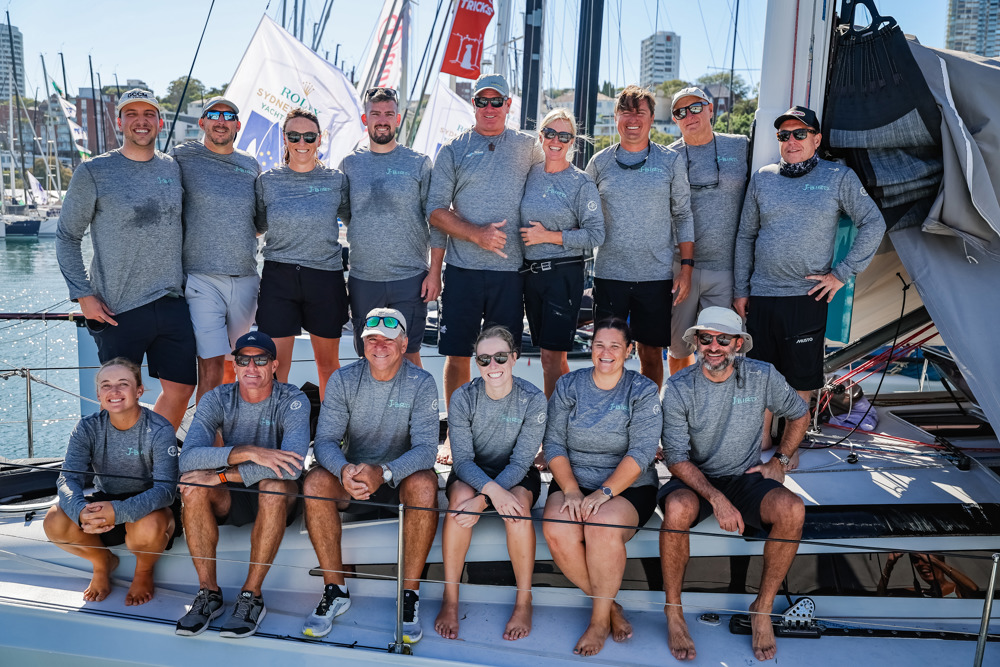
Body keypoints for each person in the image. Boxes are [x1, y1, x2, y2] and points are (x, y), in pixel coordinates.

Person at [658, 306, 809, 662]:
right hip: (695, 477)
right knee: (678, 508)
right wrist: (716, 499)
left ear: (738, 344)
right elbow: (676, 457)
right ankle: (673, 611)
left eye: (723, 339)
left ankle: (762, 608)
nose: (714, 346)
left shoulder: (762, 375)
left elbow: (800, 413)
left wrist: (780, 462)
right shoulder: (679, 387)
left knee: (793, 509)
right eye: (706, 338)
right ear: (695, 341)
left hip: (745, 476)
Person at [733, 105, 885, 449]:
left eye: (800, 133)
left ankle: (788, 451)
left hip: (807, 297)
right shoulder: (763, 177)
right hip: (762, 296)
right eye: (784, 135)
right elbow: (745, 236)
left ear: (816, 139)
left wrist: (841, 274)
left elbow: (873, 222)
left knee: (800, 381)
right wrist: (742, 290)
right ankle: (759, 449)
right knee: (761, 377)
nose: (791, 140)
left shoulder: (837, 177)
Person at [56, 88, 195, 430]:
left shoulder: (173, 168)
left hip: (172, 300)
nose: (140, 121)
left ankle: (152, 453)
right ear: (119, 122)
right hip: (117, 307)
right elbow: (67, 236)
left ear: (159, 122)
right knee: (118, 396)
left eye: (148, 114)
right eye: (131, 114)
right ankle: (122, 468)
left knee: (181, 388)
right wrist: (83, 295)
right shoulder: (94, 171)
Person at [302, 308, 439, 643]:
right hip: (354, 477)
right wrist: (344, 469)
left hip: (398, 478)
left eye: (388, 340)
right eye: (372, 339)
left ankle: (409, 594)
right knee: (316, 482)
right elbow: (325, 441)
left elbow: (425, 450)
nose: (380, 346)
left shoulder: (421, 382)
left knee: (424, 484)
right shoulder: (343, 379)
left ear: (404, 343)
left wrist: (386, 471)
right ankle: (335, 589)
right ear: (361, 343)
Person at [175, 331, 309, 639]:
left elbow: (291, 467)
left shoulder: (293, 399)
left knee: (274, 486)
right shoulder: (217, 398)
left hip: (273, 492)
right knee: (192, 486)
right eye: (243, 360)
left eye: (260, 359)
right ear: (234, 365)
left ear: (274, 365)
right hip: (233, 493)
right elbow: (189, 458)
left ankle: (252, 595)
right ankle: (208, 593)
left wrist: (221, 474)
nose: (251, 367)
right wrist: (247, 451)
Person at [542, 317, 662, 656]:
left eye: (614, 346)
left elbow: (641, 452)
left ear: (628, 350)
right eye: (599, 345)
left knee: (601, 526)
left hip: (627, 487)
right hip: (573, 481)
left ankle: (597, 622)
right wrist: (571, 490)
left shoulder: (642, 390)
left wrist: (602, 494)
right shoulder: (569, 385)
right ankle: (610, 607)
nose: (605, 352)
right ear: (590, 349)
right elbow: (553, 445)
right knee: (556, 528)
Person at [427, 72, 541, 424]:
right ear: (472, 104)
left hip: (511, 274)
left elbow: (554, 185)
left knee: (503, 356)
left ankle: (501, 428)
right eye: (481, 101)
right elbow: (434, 211)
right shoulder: (453, 149)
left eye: (496, 101)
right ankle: (457, 429)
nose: (489, 108)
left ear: (509, 105)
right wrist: (476, 235)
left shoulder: (529, 147)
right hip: (463, 272)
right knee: (458, 355)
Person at [434, 326, 548, 642]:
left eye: (500, 357)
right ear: (476, 362)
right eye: (485, 359)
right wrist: (490, 491)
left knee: (518, 510)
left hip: (516, 472)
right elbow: (464, 461)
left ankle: (524, 599)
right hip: (473, 471)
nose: (493, 366)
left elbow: (522, 462)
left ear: (514, 358)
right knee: (457, 505)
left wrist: (485, 500)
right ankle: (451, 598)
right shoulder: (463, 397)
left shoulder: (533, 399)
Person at [44, 357, 178, 606]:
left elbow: (165, 490)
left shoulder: (159, 429)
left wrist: (120, 511)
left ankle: (144, 571)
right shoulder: (87, 427)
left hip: (150, 505)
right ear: (98, 394)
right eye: (106, 385)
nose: (114, 391)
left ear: (138, 391)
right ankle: (102, 562)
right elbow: (68, 477)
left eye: (123, 384)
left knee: (148, 524)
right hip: (107, 500)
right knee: (55, 520)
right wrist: (81, 511)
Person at [586, 85, 695, 389]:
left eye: (640, 112)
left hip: (655, 277)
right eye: (626, 111)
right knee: (608, 354)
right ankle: (608, 419)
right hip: (610, 275)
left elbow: (683, 215)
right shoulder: (598, 163)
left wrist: (686, 269)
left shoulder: (670, 161)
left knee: (650, 354)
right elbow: (581, 215)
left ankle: (648, 417)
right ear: (617, 116)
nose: (633, 118)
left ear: (651, 118)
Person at [339, 87, 444, 367]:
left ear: (398, 119)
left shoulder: (418, 164)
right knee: (369, 356)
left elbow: (436, 220)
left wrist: (434, 273)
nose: (382, 119)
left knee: (409, 355)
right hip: (364, 279)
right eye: (376, 114)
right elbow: (350, 215)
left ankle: (416, 412)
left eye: (389, 114)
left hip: (410, 278)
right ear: (365, 119)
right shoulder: (350, 165)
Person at [254, 108, 350, 400]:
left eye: (309, 136)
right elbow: (256, 226)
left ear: (319, 139)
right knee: (276, 366)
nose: (302, 142)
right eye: (294, 135)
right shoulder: (267, 181)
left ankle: (331, 436)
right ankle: (274, 433)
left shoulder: (337, 180)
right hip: (278, 277)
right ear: (285, 139)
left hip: (325, 277)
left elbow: (355, 221)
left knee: (328, 366)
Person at [172, 96, 263, 403]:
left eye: (228, 116)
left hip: (245, 277)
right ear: (202, 123)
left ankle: (237, 434)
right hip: (201, 277)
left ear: (237, 125)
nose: (221, 121)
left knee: (241, 364)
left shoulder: (251, 165)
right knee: (209, 366)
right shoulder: (183, 156)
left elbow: (259, 222)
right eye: (214, 115)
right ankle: (206, 445)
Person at [519, 108, 605, 397]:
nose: (556, 140)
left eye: (564, 135)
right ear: (541, 136)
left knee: (551, 357)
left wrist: (549, 236)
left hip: (563, 275)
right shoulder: (530, 173)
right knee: (550, 357)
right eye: (550, 133)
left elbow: (596, 234)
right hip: (531, 276)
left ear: (572, 141)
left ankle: (553, 431)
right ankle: (567, 413)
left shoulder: (581, 183)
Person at [665, 87, 750, 376]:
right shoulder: (669, 157)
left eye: (696, 108)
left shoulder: (740, 146)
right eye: (680, 112)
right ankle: (677, 405)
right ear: (675, 120)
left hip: (725, 270)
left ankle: (712, 413)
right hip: (681, 269)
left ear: (711, 109)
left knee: (719, 350)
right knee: (678, 349)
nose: (689, 115)